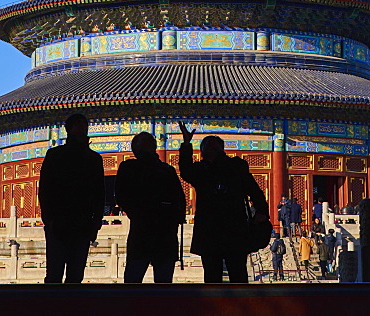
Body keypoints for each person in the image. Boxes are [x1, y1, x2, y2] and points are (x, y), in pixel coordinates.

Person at [177, 121, 269, 283]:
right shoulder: (234, 167)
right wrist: (261, 212)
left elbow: (185, 170)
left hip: (214, 228)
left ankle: (220, 306)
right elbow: (255, 192)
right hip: (234, 228)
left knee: (216, 275)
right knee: (237, 272)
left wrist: (186, 144)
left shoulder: (207, 170)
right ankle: (239, 305)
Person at [38, 113, 104, 283]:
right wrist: (49, 219)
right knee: (54, 273)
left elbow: (99, 192)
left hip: (83, 224)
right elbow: (45, 188)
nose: (82, 129)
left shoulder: (94, 159)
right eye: (78, 125)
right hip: (58, 222)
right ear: (69, 129)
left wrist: (96, 221)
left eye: (84, 125)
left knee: (76, 274)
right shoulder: (55, 155)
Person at [114, 132, 186, 283]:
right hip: (145, 229)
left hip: (162, 231)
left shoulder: (166, 170)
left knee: (161, 282)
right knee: (135, 279)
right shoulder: (131, 168)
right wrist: (139, 213)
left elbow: (179, 199)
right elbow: (122, 195)